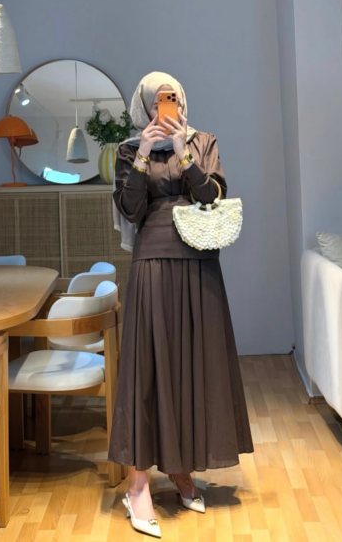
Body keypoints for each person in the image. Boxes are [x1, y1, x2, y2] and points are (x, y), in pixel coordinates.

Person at [108, 71, 253, 537]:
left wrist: (182, 149)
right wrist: (146, 152)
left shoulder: (203, 142)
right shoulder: (130, 150)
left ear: (181, 101)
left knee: (194, 365)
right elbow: (130, 209)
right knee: (149, 368)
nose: (163, 108)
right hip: (152, 262)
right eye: (156, 102)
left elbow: (210, 194)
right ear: (145, 108)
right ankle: (137, 486)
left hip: (199, 261)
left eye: (169, 99)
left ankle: (182, 469)